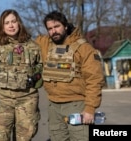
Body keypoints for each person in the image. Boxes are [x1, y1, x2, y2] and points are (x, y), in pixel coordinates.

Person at [35, 11, 105, 141]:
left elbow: (94, 80)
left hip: (77, 106)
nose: (53, 31)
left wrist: (90, 108)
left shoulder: (84, 48)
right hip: (53, 106)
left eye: (57, 27)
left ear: (65, 26)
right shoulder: (45, 44)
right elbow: (23, 41)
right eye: (50, 29)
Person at [0, 9, 43, 141]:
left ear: (19, 23)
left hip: (27, 98)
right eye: (7, 23)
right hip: (3, 99)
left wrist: (35, 76)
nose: (11, 25)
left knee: (25, 137)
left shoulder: (32, 46)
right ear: (2, 26)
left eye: (13, 21)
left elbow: (41, 67)